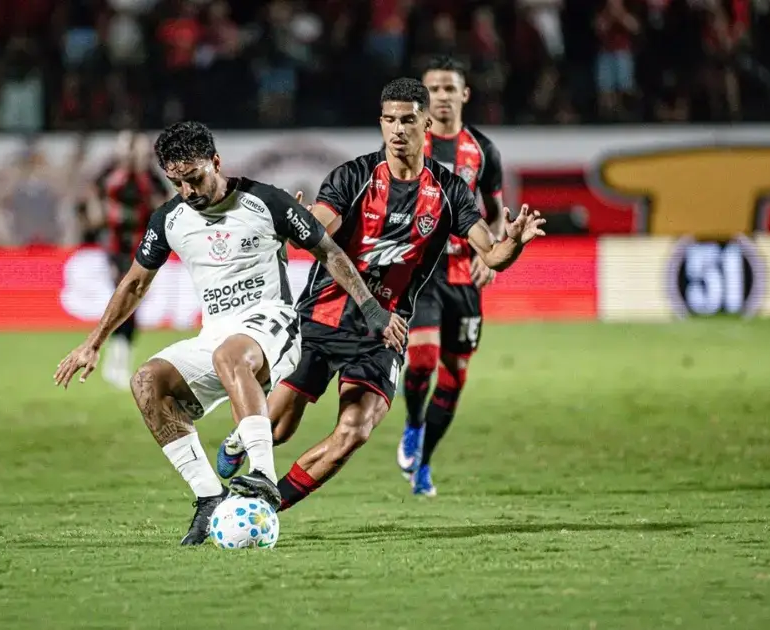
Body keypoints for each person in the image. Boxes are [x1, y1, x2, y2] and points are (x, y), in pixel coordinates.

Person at [54, 121, 406, 544]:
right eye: (177, 182)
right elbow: (134, 283)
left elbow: (328, 253)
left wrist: (372, 310)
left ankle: (263, 474)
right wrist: (93, 343)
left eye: (195, 178)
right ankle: (208, 496)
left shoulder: (266, 201)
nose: (187, 190)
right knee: (148, 383)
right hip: (217, 334)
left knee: (230, 356)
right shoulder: (169, 219)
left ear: (216, 162)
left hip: (276, 324)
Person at [215, 78, 545, 512]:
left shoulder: (449, 192)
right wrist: (298, 223)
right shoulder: (353, 176)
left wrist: (515, 241)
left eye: (408, 120)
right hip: (321, 320)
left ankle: (267, 505)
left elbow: (493, 254)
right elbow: (319, 228)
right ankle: (244, 437)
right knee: (278, 430)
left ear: (426, 123)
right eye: (389, 120)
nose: (397, 129)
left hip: (382, 333)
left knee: (356, 430)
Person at [396, 56, 506, 497]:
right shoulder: (405, 145)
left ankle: (424, 462)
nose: (441, 97)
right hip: (422, 272)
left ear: (464, 95)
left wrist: (491, 252)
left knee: (456, 376)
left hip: (464, 274)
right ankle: (413, 423)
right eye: (433, 90)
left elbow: (495, 214)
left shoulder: (482, 150)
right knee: (421, 358)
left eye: (448, 89)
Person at [85, 131, 174, 390]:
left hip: (144, 246)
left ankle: (118, 356)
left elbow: (166, 199)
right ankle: (116, 358)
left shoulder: (149, 176)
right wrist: (98, 211)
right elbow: (94, 195)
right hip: (117, 247)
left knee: (133, 301)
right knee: (124, 296)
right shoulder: (112, 172)